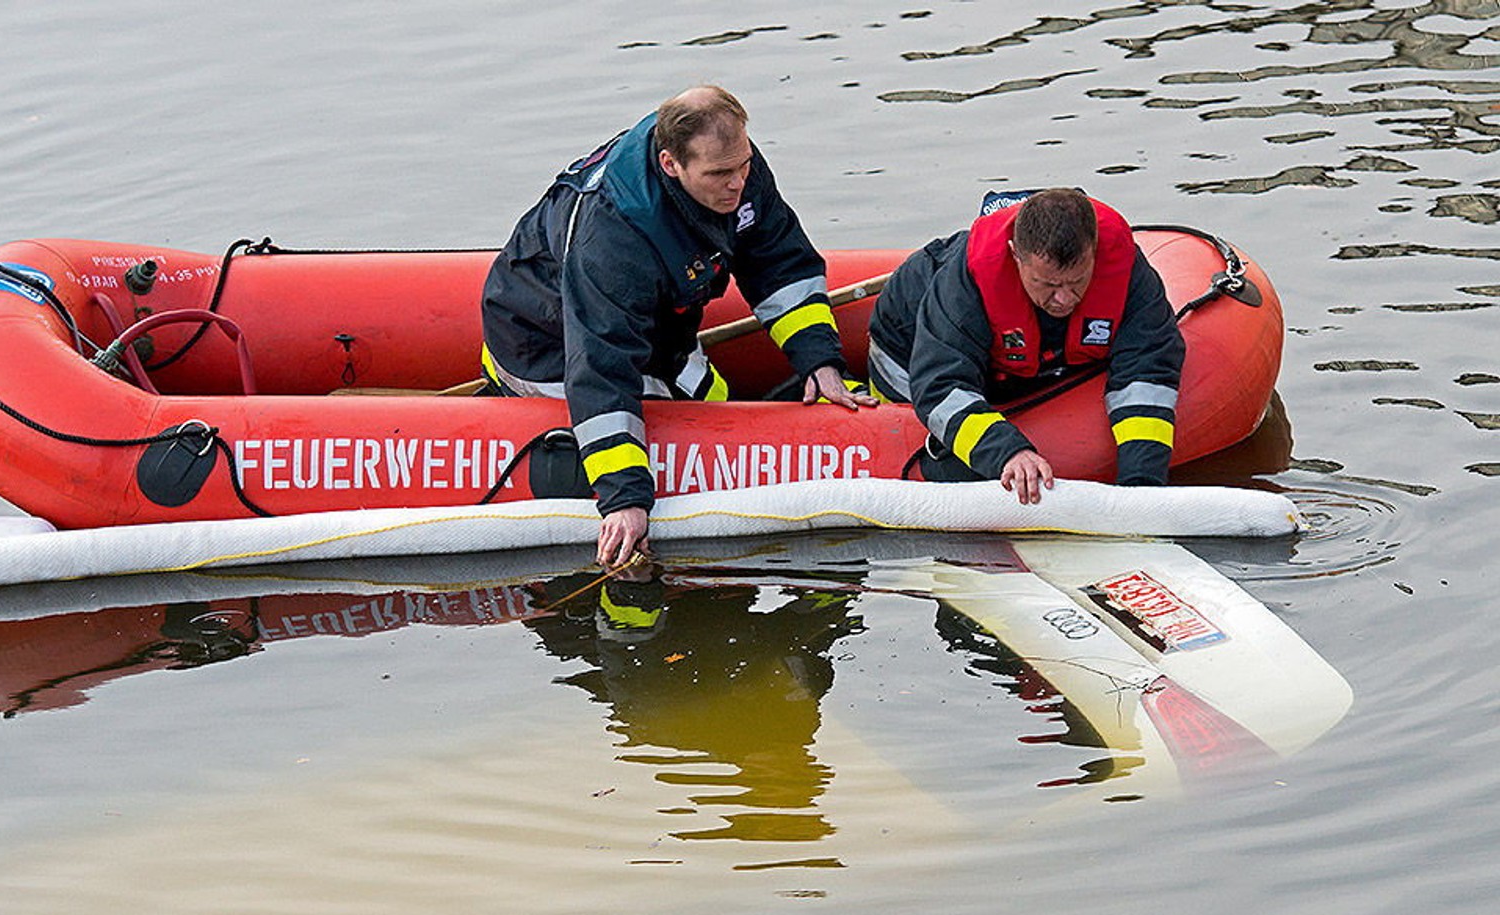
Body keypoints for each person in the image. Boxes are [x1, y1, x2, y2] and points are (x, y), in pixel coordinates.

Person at [481, 85, 858, 570]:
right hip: (546, 343)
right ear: (670, 164)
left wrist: (820, 362)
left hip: (661, 327)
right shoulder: (613, 235)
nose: (737, 183)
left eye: (743, 166)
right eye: (721, 174)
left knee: (716, 404)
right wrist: (624, 499)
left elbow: (779, 263)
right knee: (673, 438)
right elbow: (599, 369)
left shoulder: (733, 161)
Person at [865, 187, 1184, 504]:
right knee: (955, 468)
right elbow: (940, 387)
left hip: (1029, 365)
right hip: (907, 358)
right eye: (1048, 285)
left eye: (1077, 282)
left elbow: (1148, 370)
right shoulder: (964, 285)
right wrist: (1007, 454)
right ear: (1015, 254)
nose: (1064, 299)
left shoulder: (1126, 269)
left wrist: (1142, 487)